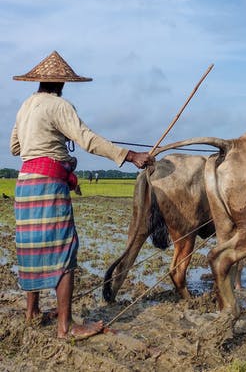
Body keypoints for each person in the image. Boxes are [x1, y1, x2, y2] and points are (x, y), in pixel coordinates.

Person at [10, 50, 154, 339]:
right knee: (65, 249)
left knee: (31, 248)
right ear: (62, 84)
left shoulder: (26, 105)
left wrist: (49, 140)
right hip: (48, 187)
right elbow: (87, 139)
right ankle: (66, 327)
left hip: (25, 184)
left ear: (39, 82)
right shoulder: (59, 106)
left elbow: (16, 148)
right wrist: (130, 155)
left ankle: (32, 312)